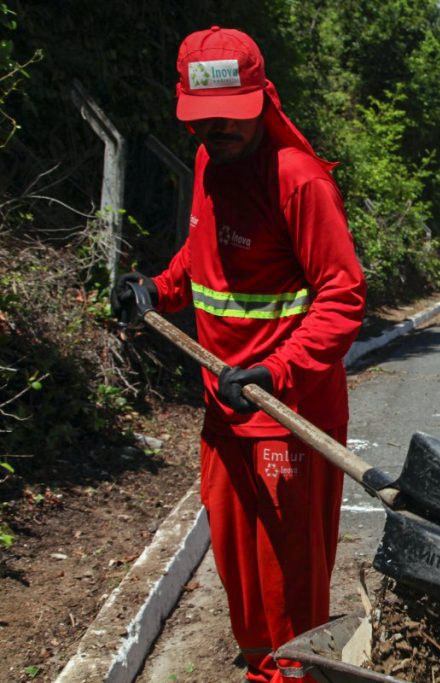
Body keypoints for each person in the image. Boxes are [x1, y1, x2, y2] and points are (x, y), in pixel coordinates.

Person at [110, 26, 366, 683]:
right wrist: (156, 290)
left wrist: (276, 370)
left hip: (288, 410)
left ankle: (296, 674)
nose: (217, 129)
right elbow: (204, 256)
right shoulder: (208, 160)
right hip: (223, 408)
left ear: (259, 98)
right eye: (203, 120)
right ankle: (262, 668)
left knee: (289, 578)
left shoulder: (298, 180)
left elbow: (343, 296)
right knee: (238, 567)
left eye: (230, 116)